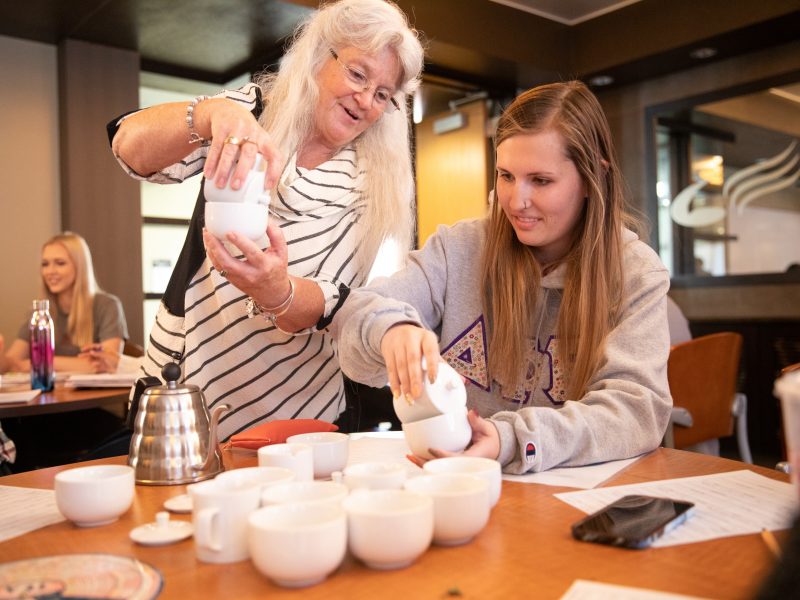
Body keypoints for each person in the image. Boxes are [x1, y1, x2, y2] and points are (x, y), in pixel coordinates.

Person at [108, 0, 424, 441]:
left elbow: (343, 302)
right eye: (358, 74)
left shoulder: (378, 182)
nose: (366, 100)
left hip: (304, 403)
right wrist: (211, 114)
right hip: (187, 385)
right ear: (320, 56)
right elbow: (129, 149)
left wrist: (279, 292)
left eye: (383, 94)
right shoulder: (254, 114)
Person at [333, 81, 672, 473]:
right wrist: (390, 329)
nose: (516, 200)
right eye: (506, 175)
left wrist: (510, 440)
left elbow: (637, 412)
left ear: (592, 178)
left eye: (540, 181)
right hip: (459, 487)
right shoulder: (459, 247)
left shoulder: (636, 272)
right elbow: (359, 316)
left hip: (571, 502)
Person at [0, 232, 128, 374]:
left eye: (60, 263)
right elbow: (11, 363)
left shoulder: (107, 305)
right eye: (45, 264)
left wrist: (36, 362)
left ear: (80, 267)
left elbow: (106, 363)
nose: (50, 271)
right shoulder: (39, 313)